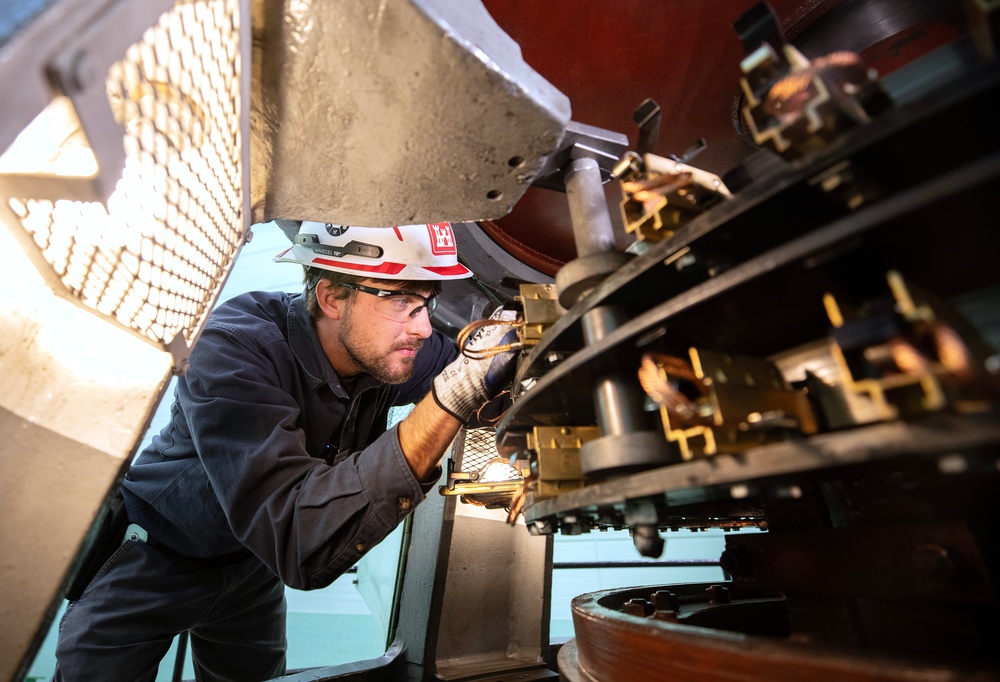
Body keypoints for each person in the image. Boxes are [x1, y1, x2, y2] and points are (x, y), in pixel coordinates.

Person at [52, 221, 518, 681]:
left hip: (249, 568)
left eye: (427, 305)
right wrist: (450, 399)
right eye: (402, 302)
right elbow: (299, 535)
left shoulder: (384, 345)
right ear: (332, 297)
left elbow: (479, 373)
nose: (421, 328)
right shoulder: (234, 346)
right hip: (154, 557)